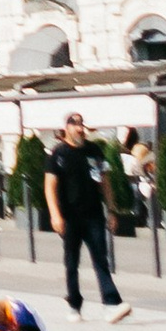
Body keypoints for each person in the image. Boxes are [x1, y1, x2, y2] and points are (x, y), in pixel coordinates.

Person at [45, 110, 131, 320]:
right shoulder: (58, 154)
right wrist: (55, 215)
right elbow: (50, 186)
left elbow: (105, 181)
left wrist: (111, 209)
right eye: (75, 124)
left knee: (101, 258)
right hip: (69, 217)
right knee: (72, 262)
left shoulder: (94, 151)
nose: (80, 128)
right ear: (66, 128)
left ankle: (111, 303)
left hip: (93, 214)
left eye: (81, 124)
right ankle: (74, 304)